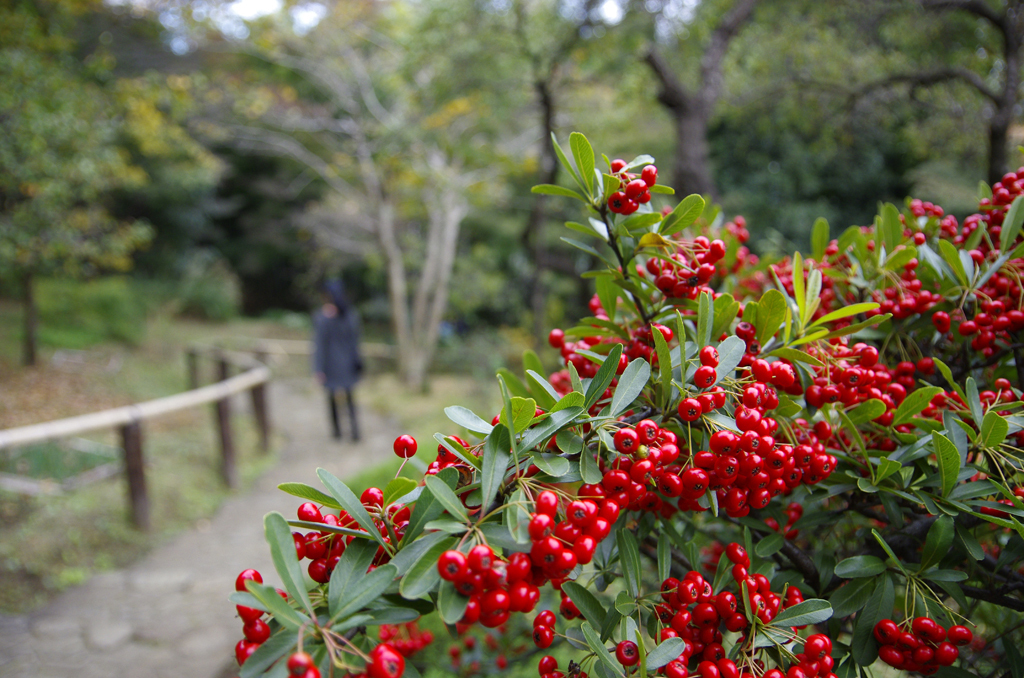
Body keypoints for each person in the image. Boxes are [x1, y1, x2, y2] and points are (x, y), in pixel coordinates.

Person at [313, 279, 363, 441]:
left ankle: (339, 432)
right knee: (347, 398)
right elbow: (355, 342)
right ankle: (352, 432)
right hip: (345, 363)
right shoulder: (349, 314)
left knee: (336, 398)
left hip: (333, 364)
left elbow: (319, 344)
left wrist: (318, 368)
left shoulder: (328, 317)